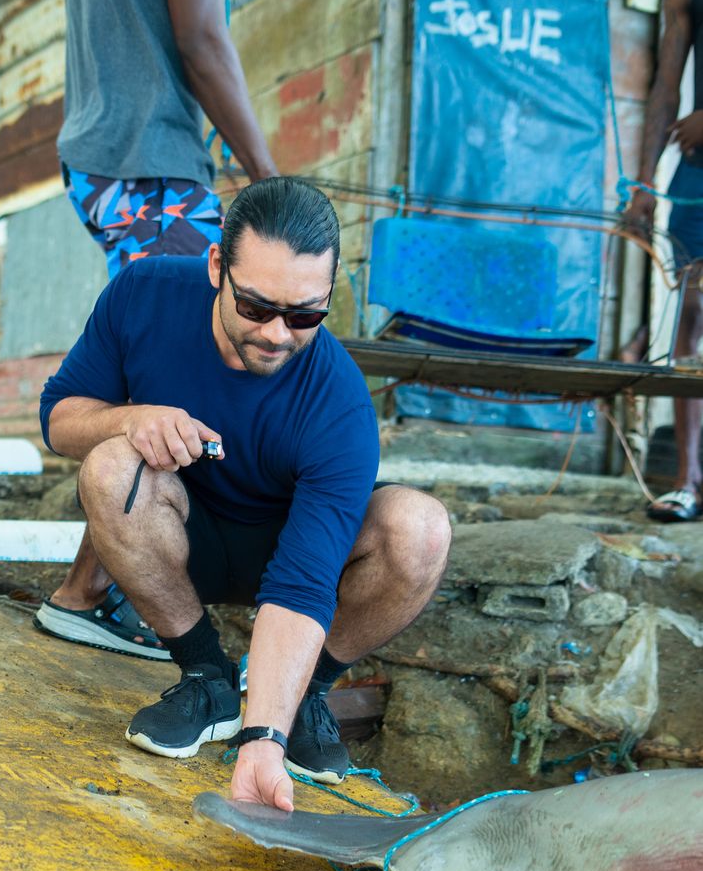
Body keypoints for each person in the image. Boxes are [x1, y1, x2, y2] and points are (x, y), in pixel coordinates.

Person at [39, 177, 451, 811]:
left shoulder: (339, 402)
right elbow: (58, 419)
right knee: (110, 467)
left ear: (328, 296)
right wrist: (131, 418)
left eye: (305, 315)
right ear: (216, 268)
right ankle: (206, 676)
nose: (278, 334)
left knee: (421, 528)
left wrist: (263, 742)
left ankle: (303, 694)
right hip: (180, 541)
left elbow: (303, 585)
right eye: (257, 307)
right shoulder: (144, 292)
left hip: (284, 552)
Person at [34, 0, 278, 657]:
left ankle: (90, 588)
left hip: (109, 154)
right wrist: (266, 175)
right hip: (145, 157)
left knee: (159, 373)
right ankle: (86, 592)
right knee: (187, 360)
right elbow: (201, 41)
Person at [625, 0, 703, 521]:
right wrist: (645, 183)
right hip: (697, 175)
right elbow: (665, 89)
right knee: (691, 312)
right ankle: (688, 480)